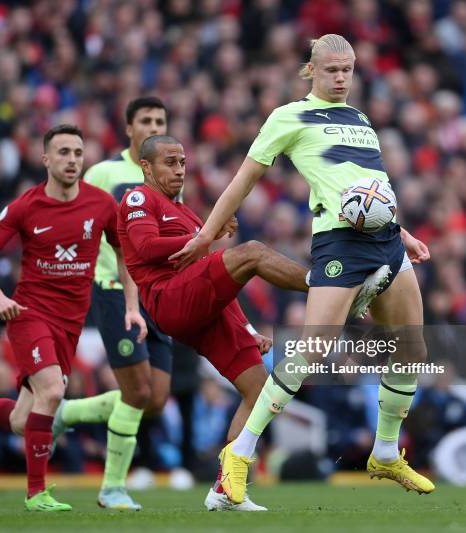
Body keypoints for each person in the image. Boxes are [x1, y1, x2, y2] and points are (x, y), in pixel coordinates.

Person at [170, 34, 434, 504]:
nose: (340, 77)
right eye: (331, 70)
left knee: (411, 346)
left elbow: (371, 185)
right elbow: (242, 180)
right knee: (313, 350)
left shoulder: (359, 118)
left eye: (347, 69)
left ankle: (387, 452)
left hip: (387, 241)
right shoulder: (287, 117)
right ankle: (240, 453)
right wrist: (207, 234)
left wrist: (404, 231)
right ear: (311, 71)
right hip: (342, 245)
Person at [0, 124, 146, 512]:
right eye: (63, 152)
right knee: (54, 394)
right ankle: (36, 493)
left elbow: (126, 256)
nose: (72, 160)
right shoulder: (27, 205)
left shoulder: (101, 204)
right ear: (45, 159)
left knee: (24, 422)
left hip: (70, 323)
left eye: (77, 153)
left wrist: (131, 307)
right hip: (29, 315)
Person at [117, 133, 309, 510]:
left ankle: (225, 489)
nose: (179, 169)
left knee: (259, 390)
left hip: (199, 307)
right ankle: (323, 285)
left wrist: (250, 331)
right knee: (252, 252)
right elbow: (144, 248)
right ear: (146, 166)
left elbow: (215, 283)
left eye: (183, 162)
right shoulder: (138, 199)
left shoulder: (187, 214)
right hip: (168, 299)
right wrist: (202, 236)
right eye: (169, 162)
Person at [50, 97, 178, 510]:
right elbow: (78, 218)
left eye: (160, 120)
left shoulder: (166, 175)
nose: (153, 126)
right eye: (146, 120)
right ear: (129, 128)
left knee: (155, 399)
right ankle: (112, 488)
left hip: (157, 294)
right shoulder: (105, 172)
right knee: (137, 390)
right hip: (112, 287)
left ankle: (65, 415)